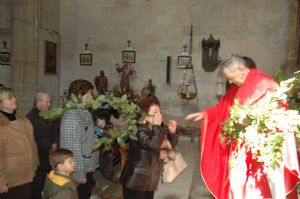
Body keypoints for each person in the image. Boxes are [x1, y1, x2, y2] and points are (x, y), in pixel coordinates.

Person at [185, 54, 300, 198]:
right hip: (240, 151)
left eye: (229, 76)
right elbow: (225, 107)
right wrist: (207, 114)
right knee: (237, 186)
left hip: (259, 153)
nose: (228, 80)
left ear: (241, 69)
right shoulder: (236, 87)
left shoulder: (264, 84)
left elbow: (276, 121)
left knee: (258, 190)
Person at [120, 96, 178, 199]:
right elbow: (153, 145)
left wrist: (172, 133)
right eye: (155, 112)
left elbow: (167, 146)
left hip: (149, 179)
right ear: (144, 114)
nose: (158, 115)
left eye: (159, 112)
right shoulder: (139, 129)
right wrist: (157, 125)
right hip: (136, 181)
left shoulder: (153, 127)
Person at [60, 79, 99, 199]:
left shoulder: (83, 112)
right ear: (79, 95)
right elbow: (72, 150)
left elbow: (87, 135)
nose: (92, 98)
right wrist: (78, 174)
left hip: (88, 166)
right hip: (80, 170)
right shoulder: (71, 117)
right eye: (89, 94)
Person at [0, 87, 39, 199]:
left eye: (14, 96)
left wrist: (35, 164)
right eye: (9, 98)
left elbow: (33, 143)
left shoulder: (23, 119)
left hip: (26, 175)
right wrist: (1, 181)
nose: (14, 99)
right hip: (9, 178)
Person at [26, 92, 59, 199]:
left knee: (54, 184)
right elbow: (36, 137)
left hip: (51, 156)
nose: (50, 104)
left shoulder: (50, 115)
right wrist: (50, 147)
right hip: (39, 158)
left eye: (50, 102)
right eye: (47, 102)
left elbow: (57, 131)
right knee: (37, 186)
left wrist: (55, 143)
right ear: (38, 102)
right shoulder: (30, 117)